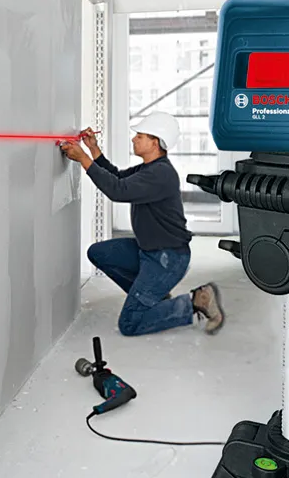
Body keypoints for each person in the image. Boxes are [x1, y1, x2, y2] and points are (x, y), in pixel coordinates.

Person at [59, 111, 224, 336]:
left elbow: (117, 190)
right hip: (148, 251)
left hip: (167, 258)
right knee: (99, 253)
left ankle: (195, 301)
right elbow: (117, 177)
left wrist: (83, 159)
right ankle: (154, 298)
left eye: (140, 135)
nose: (134, 139)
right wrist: (93, 150)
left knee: (130, 324)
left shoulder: (161, 173)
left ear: (155, 142)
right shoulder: (148, 168)